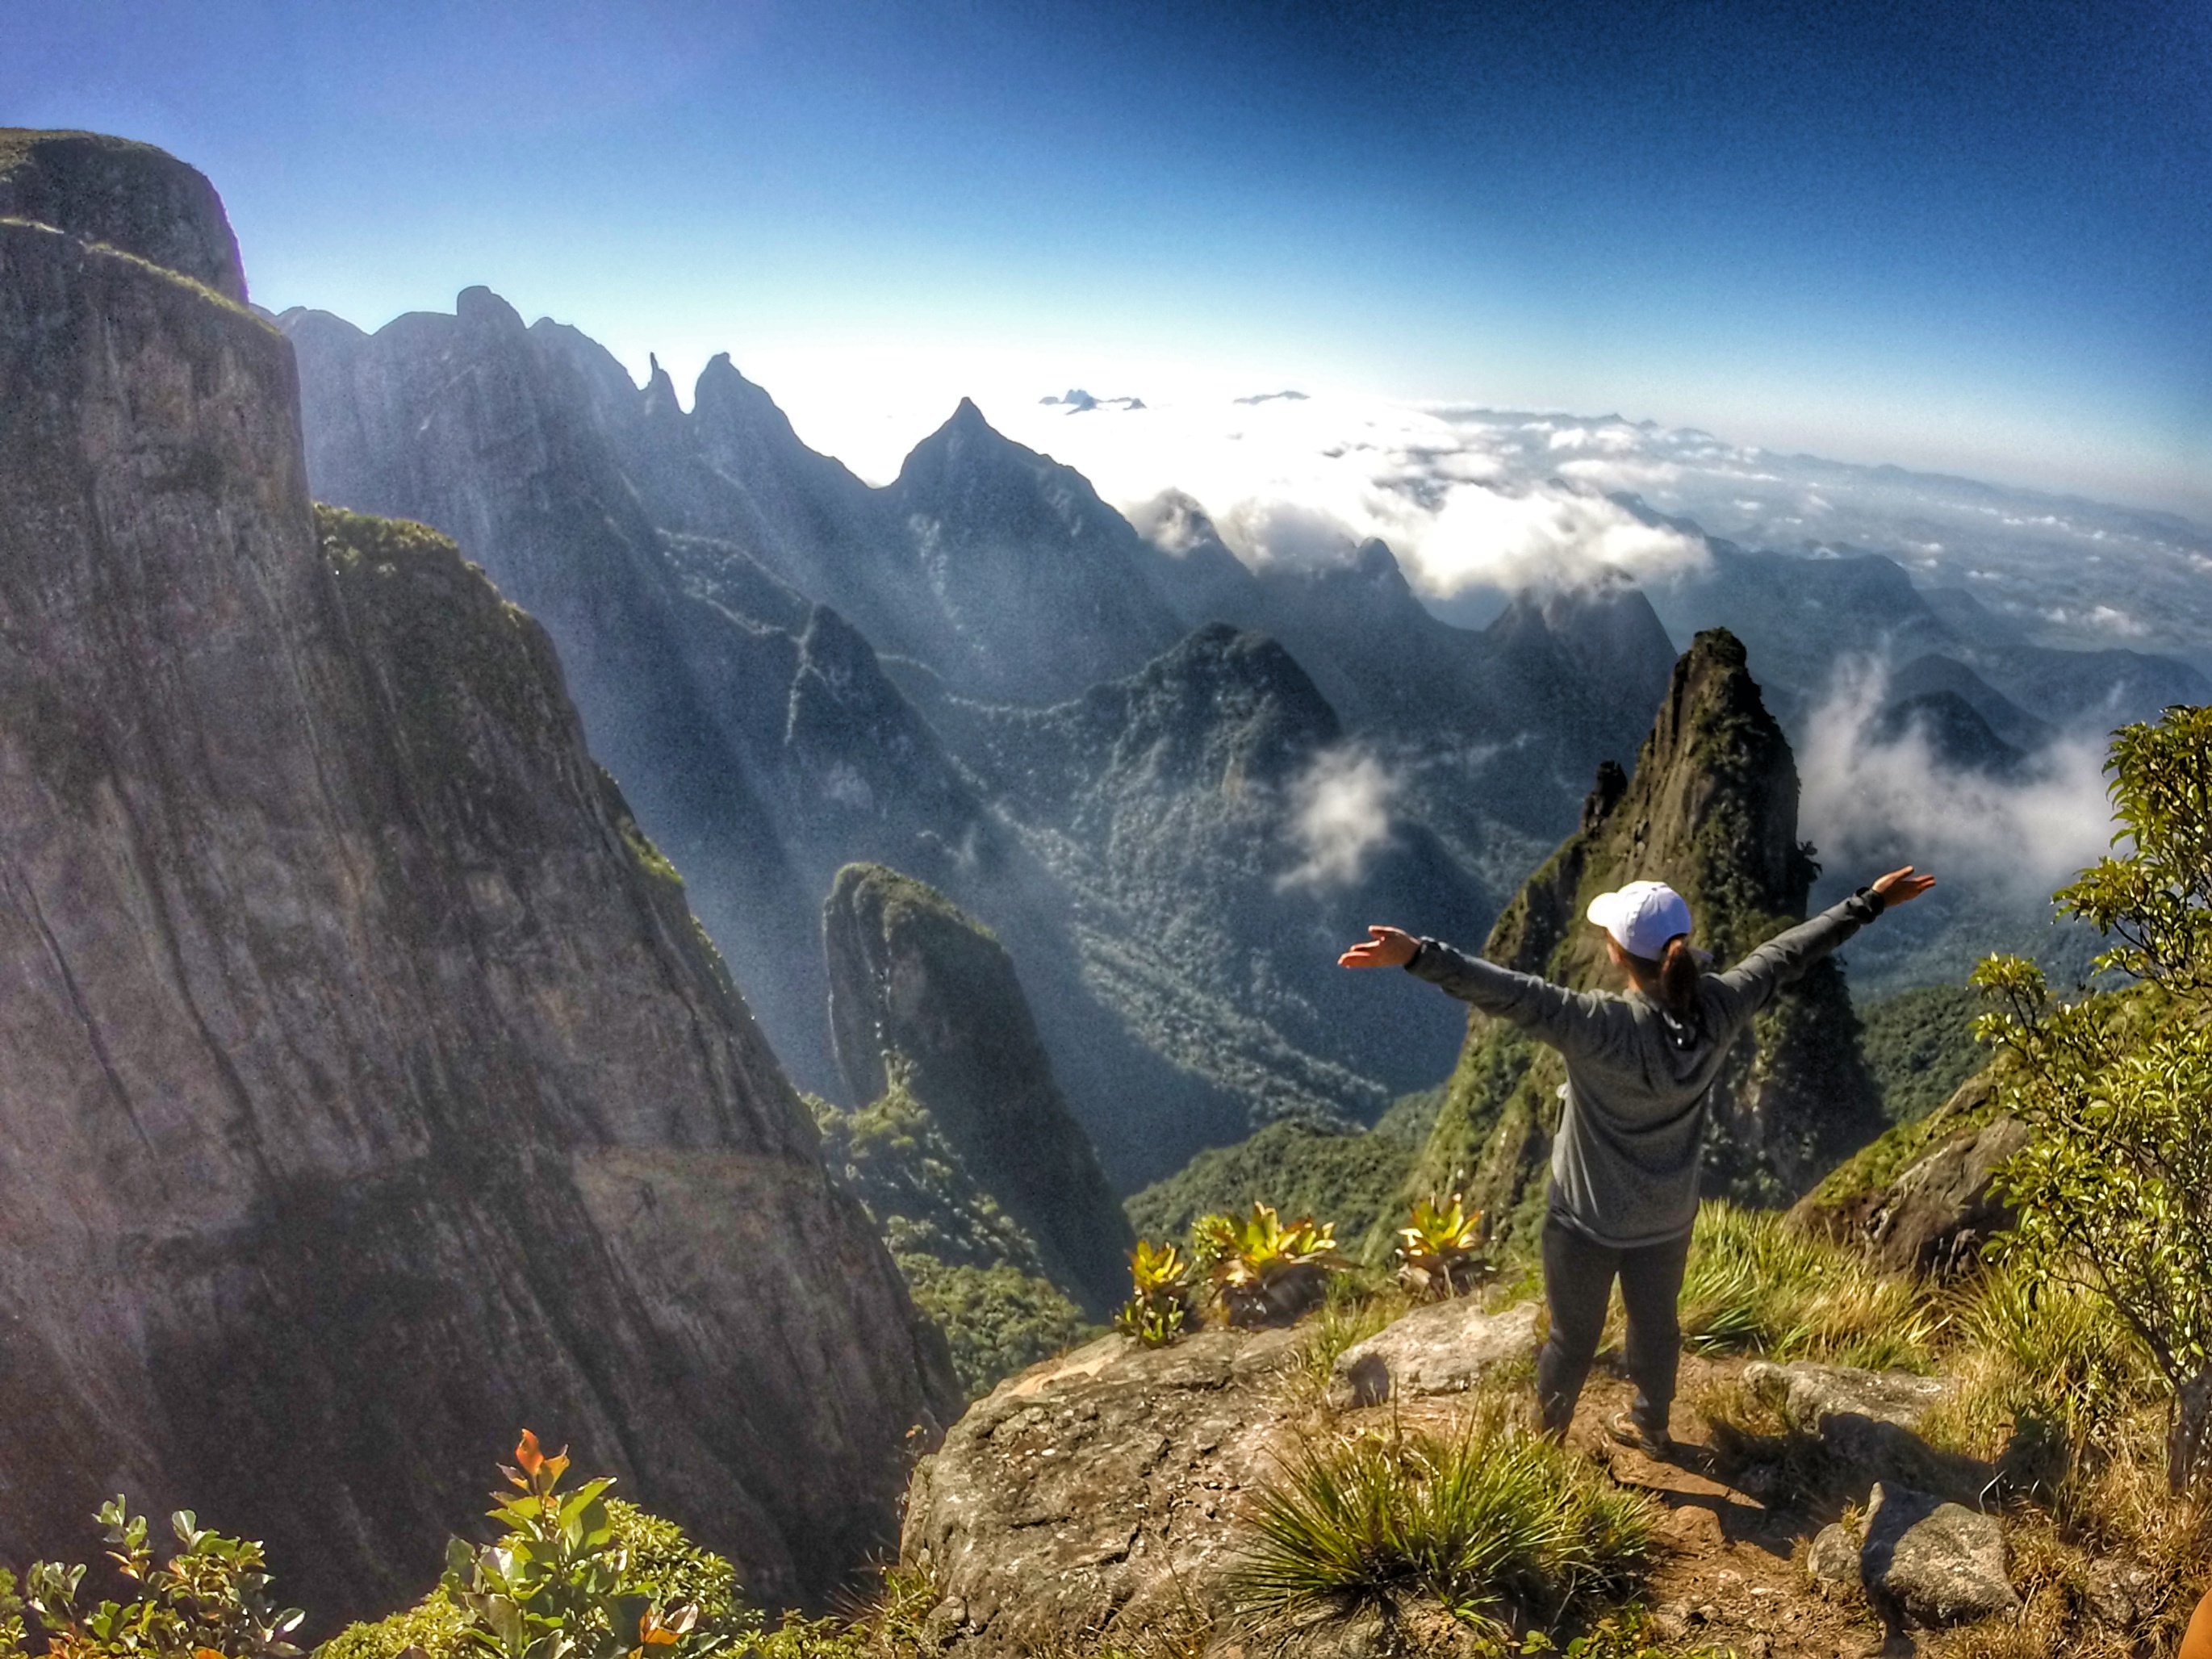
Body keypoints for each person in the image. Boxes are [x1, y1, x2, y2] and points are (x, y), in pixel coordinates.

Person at [1340, 866, 1935, 1453]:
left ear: (1617, 952)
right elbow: (1784, 955)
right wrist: (1867, 902)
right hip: (1666, 1220)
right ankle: (1651, 1427)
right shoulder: (1720, 1007)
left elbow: (1507, 991)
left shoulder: (1597, 1025)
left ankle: (1544, 1449)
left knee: (1571, 1340)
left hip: (1584, 1223)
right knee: (1657, 1327)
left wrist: (1417, 954)